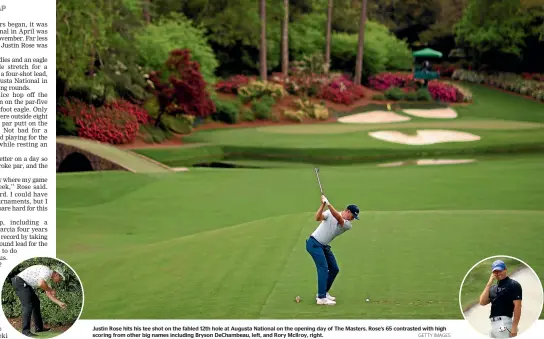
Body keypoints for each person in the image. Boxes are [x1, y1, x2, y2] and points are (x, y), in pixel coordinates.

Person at [306, 194, 359, 305]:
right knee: (323, 268)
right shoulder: (330, 213)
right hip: (314, 243)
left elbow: (338, 218)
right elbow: (317, 218)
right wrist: (323, 205)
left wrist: (328, 204)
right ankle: (321, 298)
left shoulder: (347, 225)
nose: (352, 219)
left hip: (323, 245)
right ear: (347, 211)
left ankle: (323, 292)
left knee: (334, 269)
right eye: (352, 216)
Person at [10, 264, 68, 337]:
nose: (60, 280)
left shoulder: (48, 278)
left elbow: (48, 293)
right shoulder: (46, 271)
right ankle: (25, 331)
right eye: (60, 278)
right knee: (28, 305)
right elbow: (40, 284)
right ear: (56, 274)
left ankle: (39, 328)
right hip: (20, 282)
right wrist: (50, 289)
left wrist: (59, 303)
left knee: (36, 302)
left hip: (25, 284)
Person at [478, 260, 522, 338]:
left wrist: (514, 326)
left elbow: (517, 306)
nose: (498, 273)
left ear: (505, 269)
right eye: (495, 272)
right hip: (492, 325)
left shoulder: (513, 285)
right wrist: (489, 283)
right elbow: (482, 302)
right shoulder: (492, 288)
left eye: (500, 270)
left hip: (504, 323)